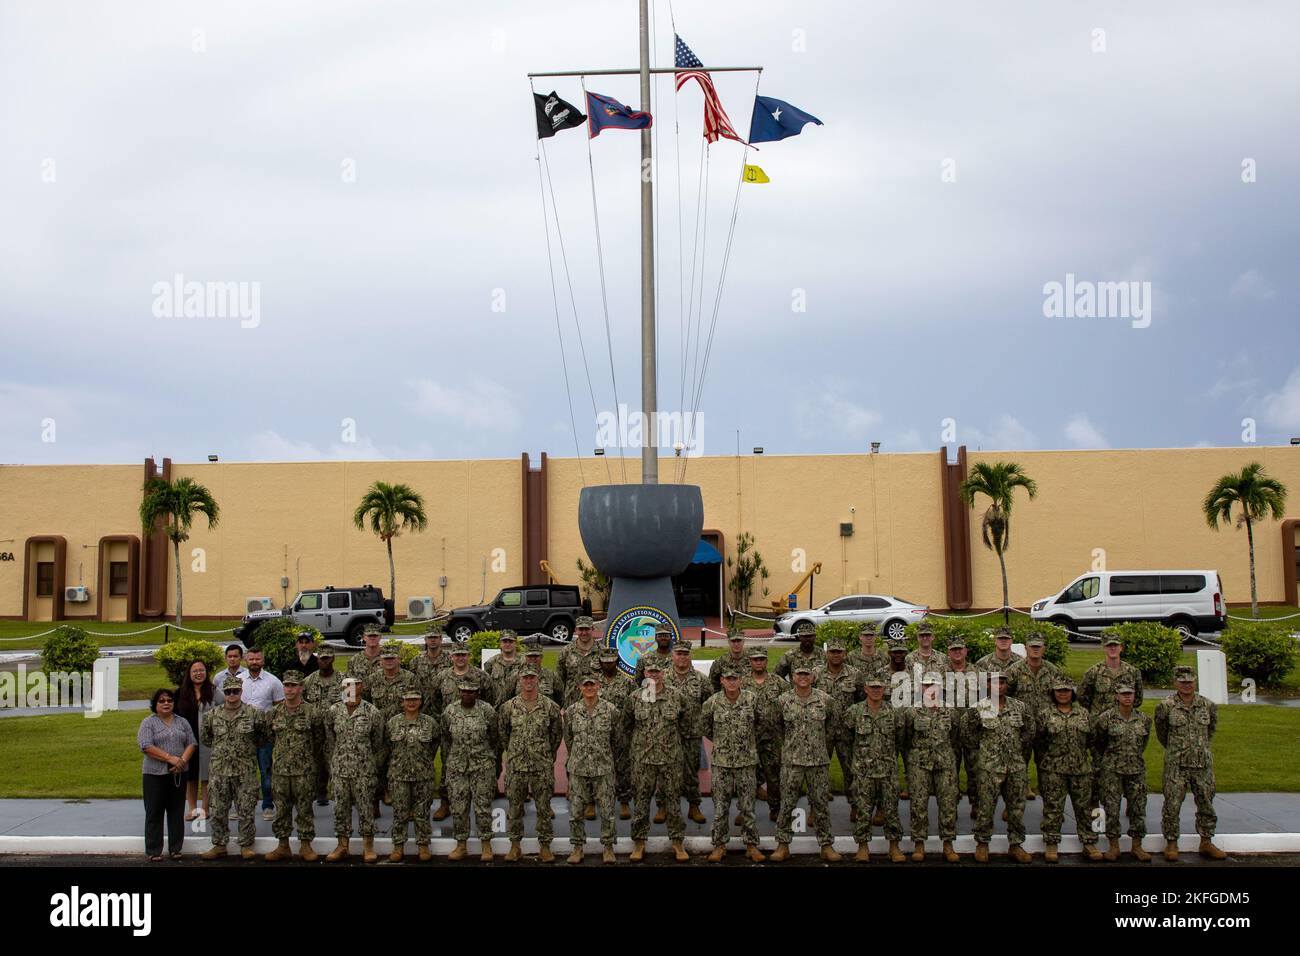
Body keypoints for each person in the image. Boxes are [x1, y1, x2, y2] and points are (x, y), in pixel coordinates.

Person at [771, 664, 841, 862]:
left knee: (820, 805)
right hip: (792, 762)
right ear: (793, 677)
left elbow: (831, 728)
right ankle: (782, 845)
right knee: (787, 804)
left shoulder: (825, 700)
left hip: (818, 761)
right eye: (799, 674)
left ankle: (826, 845)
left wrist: (818, 747)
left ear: (812, 676)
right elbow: (777, 729)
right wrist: (787, 748)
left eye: (806, 674)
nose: (803, 677)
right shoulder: (783, 701)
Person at [1155, 665, 1225, 861]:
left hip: (1202, 764)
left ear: (1195, 681)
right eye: (1183, 681)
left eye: (1190, 681)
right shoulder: (1165, 705)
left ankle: (1206, 841)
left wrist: (1198, 748)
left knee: (1206, 803)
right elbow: (1162, 734)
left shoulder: (1207, 705)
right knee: (1172, 804)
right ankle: (1171, 843)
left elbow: (1210, 730)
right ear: (1175, 682)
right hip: (1176, 765)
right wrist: (1177, 750)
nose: (1187, 685)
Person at [623, 660, 688, 862]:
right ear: (644, 673)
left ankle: (677, 842)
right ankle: (639, 842)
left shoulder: (676, 696)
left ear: (664, 673)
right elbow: (626, 726)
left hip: (670, 759)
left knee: (673, 802)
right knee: (641, 802)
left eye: (658, 671)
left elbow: (685, 725)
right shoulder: (635, 698)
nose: (654, 675)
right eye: (650, 671)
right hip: (643, 760)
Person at [965, 671, 1033, 863]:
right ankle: (982, 843)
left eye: (1002, 683)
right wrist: (985, 753)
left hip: (1015, 766)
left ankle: (1016, 844)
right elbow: (969, 735)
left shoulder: (1020, 707)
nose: (999, 686)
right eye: (995, 683)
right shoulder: (979, 708)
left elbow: (1029, 731)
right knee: (986, 806)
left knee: (1017, 807)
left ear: (1006, 685)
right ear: (988, 685)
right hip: (989, 766)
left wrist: (1017, 750)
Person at [499, 665, 564, 862]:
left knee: (544, 808)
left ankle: (545, 846)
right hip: (516, 766)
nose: (528, 681)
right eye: (525, 678)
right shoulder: (508, 707)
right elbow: (503, 734)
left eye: (532, 678)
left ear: (538, 679)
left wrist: (546, 753)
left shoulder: (550, 706)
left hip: (541, 766)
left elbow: (556, 734)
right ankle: (515, 845)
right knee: (514, 808)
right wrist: (514, 751)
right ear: (519, 680)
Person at [701, 666, 764, 862]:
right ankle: (719, 846)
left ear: (741, 681)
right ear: (721, 681)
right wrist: (722, 743)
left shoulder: (752, 700)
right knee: (720, 807)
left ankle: (752, 845)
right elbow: (705, 726)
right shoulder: (713, 702)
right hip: (722, 762)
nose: (731, 682)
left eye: (735, 678)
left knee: (748, 807)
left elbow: (761, 725)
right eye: (728, 679)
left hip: (746, 762)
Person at [199, 677, 267, 860]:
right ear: (224, 693)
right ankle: (219, 845)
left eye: (235, 691)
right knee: (218, 810)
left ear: (241, 691)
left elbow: (262, 738)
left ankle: (246, 845)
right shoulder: (212, 715)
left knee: (246, 809)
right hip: (219, 770)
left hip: (245, 771)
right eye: (228, 692)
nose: (231, 695)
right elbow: (206, 738)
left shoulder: (254, 713)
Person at [1038, 676, 1102, 862]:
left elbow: (1093, 741)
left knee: (1086, 808)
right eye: (1059, 690)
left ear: (1072, 693)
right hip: (1053, 770)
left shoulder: (1084, 714)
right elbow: (1040, 742)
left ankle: (1089, 842)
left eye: (1066, 690)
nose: (1063, 694)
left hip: (1081, 770)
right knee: (1053, 808)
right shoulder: (1045, 714)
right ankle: (1051, 843)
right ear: (1053, 693)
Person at [898, 673, 960, 862]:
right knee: (918, 804)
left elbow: (956, 737)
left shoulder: (951, 711)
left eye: (934, 685)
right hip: (919, 763)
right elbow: (905, 738)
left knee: (948, 804)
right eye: (926, 685)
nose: (930, 689)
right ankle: (919, 843)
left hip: (945, 763)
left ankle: (948, 844)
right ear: (920, 688)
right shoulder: (911, 712)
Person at [843, 675, 905, 862]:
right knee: (863, 810)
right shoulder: (855, 711)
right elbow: (847, 738)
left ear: (884, 689)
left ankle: (894, 847)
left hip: (888, 770)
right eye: (872, 687)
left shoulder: (894, 712)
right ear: (866, 690)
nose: (876, 690)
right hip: (863, 771)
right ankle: (862, 847)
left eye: (879, 687)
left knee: (891, 810)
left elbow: (900, 739)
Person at [264, 671, 324, 862]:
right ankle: (283, 845)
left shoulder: (312, 712)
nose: (289, 689)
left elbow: (318, 739)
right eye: (287, 685)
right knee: (281, 809)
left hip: (304, 771)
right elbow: (269, 737)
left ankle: (306, 845)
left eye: (293, 685)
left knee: (305, 809)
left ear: (301, 687)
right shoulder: (274, 713)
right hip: (280, 770)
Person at [1081, 631, 1144, 808]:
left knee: (1129, 769)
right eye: (1109, 646)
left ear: (1121, 648)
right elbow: (1083, 697)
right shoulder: (1094, 672)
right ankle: (1094, 808)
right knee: (1097, 768)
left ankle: (1132, 809)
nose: (1113, 648)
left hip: (1125, 729)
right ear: (1104, 648)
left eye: (1115, 645)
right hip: (1100, 730)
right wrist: (1097, 717)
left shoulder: (1132, 672)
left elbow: (1137, 699)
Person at [325, 677, 384, 863]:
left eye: (355, 684)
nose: (350, 688)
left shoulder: (371, 712)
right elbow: (330, 739)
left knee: (366, 808)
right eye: (346, 685)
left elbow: (379, 743)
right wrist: (334, 764)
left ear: (362, 687)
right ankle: (342, 845)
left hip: (363, 770)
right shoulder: (334, 711)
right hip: (340, 769)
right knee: (340, 808)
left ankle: (368, 846)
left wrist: (370, 763)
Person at [1092, 680, 1152, 861]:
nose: (1127, 697)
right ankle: (1113, 845)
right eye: (1123, 694)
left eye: (1130, 694)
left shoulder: (1144, 719)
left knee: (1138, 808)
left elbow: (1144, 743)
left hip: (1136, 769)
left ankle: (1137, 845)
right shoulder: (1106, 718)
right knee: (1111, 807)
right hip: (1112, 769)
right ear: (1116, 696)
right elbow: (1099, 743)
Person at [442, 679, 500, 861]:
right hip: (457, 767)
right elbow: (446, 738)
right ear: (459, 692)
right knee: (458, 807)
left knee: (483, 807)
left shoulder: (487, 710)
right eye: (463, 692)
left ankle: (486, 845)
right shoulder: (450, 711)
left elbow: (494, 737)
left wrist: (486, 756)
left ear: (477, 693)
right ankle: (461, 845)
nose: (467, 695)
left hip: (482, 766)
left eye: (471, 692)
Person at [564, 674, 619, 864]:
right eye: (585, 685)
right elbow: (568, 738)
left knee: (607, 811)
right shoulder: (572, 711)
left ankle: (608, 847)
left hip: (603, 768)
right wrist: (577, 757)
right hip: (578, 768)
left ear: (598, 686)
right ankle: (577, 847)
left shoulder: (610, 710)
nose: (589, 688)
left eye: (592, 684)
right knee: (576, 811)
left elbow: (617, 740)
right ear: (579, 687)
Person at [137, 688, 197, 862]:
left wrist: (181, 762)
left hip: (179, 774)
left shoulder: (182, 722)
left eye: (169, 700)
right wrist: (170, 758)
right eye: (161, 701)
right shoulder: (148, 723)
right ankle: (154, 850)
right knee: (154, 812)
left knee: (176, 812)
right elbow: (145, 746)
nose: (166, 703)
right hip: (154, 774)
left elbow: (192, 743)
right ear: (155, 704)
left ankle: (175, 848)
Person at [1004, 631, 1060, 800]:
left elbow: (1063, 698)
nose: (1035, 650)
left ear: (1044, 649)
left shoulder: (1052, 671)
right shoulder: (1014, 670)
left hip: (1046, 728)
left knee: (1048, 769)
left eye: (1038, 647)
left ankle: (1051, 810)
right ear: (1026, 648)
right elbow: (1005, 697)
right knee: (1017, 768)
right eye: (1032, 647)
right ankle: (1013, 807)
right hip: (1022, 727)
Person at [387, 689, 438, 862]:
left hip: (423, 775)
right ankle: (398, 846)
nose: (411, 703)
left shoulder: (430, 723)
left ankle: (423, 845)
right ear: (402, 702)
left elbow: (435, 744)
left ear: (421, 701)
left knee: (422, 812)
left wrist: (423, 761)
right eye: (408, 700)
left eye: (415, 699)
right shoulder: (393, 723)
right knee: (399, 812)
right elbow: (386, 747)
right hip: (399, 775)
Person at [813, 639, 862, 817]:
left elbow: (861, 700)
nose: (835, 655)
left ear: (845, 653)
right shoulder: (816, 674)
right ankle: (816, 809)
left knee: (851, 770)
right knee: (818, 772)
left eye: (839, 652)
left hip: (846, 733)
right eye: (832, 651)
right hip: (822, 731)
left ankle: (855, 806)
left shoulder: (855, 674)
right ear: (827, 653)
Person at [410, 623, 453, 818]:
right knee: (420, 761)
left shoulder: (450, 660)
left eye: (436, 637)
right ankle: (418, 804)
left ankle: (445, 803)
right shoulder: (416, 661)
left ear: (441, 640)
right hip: (423, 716)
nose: (433, 640)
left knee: (447, 761)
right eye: (430, 637)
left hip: (446, 717)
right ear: (425, 640)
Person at [664, 641, 709, 824]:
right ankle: (665, 807)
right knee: (668, 772)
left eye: (685, 654)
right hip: (668, 734)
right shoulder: (661, 678)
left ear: (690, 656)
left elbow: (709, 704)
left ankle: (693, 806)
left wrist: (703, 726)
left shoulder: (700, 679)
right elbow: (649, 704)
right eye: (679, 654)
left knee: (691, 771)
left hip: (692, 733)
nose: (682, 657)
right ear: (672, 656)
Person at [368, 647, 418, 812]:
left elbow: (417, 702)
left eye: (392, 658)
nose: (389, 661)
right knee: (376, 767)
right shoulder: (373, 679)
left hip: (403, 730)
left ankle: (408, 807)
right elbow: (366, 704)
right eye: (385, 659)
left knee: (406, 768)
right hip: (379, 731)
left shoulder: (409, 678)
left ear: (398, 660)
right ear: (380, 661)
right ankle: (375, 803)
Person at [741, 645, 788, 821]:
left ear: (766, 661)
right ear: (750, 662)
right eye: (755, 659)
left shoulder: (778, 683)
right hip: (748, 738)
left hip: (772, 738)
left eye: (761, 659)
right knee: (746, 776)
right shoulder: (742, 682)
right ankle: (744, 811)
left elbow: (788, 706)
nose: (758, 662)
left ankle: (775, 808)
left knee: (774, 775)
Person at [239, 647, 285, 821]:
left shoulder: (273, 682)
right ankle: (242, 806)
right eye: (251, 659)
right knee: (243, 772)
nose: (254, 662)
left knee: (266, 771)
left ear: (263, 661)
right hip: (244, 735)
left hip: (265, 735)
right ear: (246, 660)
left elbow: (280, 707)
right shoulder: (238, 680)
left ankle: (267, 805)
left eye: (258, 659)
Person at [173, 658, 215, 821]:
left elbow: (223, 708)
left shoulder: (213, 691)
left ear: (206, 673)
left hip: (208, 741)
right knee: (190, 776)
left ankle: (204, 809)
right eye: (195, 671)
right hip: (187, 742)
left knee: (206, 776)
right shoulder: (180, 693)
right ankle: (192, 809)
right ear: (189, 674)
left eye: (201, 670)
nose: (199, 673)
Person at [302, 645, 344, 804]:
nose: (324, 661)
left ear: (333, 659)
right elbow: (302, 702)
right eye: (321, 658)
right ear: (317, 659)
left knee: (335, 760)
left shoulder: (344, 679)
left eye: (327, 658)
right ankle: (319, 791)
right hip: (315, 729)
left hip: (335, 728)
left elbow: (351, 702)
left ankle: (338, 793)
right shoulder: (309, 680)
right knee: (315, 760)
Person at [596, 648, 634, 819]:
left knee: (623, 768)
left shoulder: (627, 683)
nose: (608, 664)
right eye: (605, 661)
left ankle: (624, 801)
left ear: (617, 662)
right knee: (596, 767)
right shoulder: (593, 682)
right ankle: (592, 801)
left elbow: (634, 707)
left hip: (621, 733)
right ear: (600, 663)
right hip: (598, 733)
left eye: (611, 661)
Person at [944, 636, 981, 807]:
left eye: (960, 649)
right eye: (953, 649)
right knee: (950, 771)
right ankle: (951, 807)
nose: (957, 652)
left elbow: (987, 700)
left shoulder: (978, 672)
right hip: (949, 731)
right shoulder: (940, 674)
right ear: (948, 652)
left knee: (975, 769)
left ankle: (976, 804)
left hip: (973, 731)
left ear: (966, 651)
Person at [556, 615, 602, 703]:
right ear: (576, 630)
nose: (584, 633)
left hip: (596, 702)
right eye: (581, 629)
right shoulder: (566, 651)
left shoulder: (602, 651)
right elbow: (560, 679)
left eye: (587, 629)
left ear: (592, 629)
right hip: (571, 702)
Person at [347, 623, 386, 695]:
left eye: (375, 635)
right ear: (364, 637)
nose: (372, 638)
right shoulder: (355, 660)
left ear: (380, 637)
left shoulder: (387, 658)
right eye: (369, 635)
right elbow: (350, 685)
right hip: (361, 701)